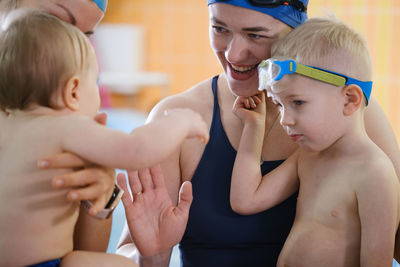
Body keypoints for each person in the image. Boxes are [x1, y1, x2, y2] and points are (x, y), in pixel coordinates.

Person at [116, 1, 400, 267]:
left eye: (256, 35)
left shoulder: (355, 114)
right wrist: (149, 253)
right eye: (219, 28)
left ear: (296, 34)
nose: (234, 54)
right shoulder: (176, 118)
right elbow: (134, 253)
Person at [0, 9, 208, 266]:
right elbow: (137, 150)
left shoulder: (6, 124)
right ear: (73, 91)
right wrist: (180, 120)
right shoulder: (67, 127)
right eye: (95, 82)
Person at [230, 17, 399, 266]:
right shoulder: (308, 156)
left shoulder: (375, 173)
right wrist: (252, 127)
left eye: (297, 102)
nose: (285, 119)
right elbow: (245, 200)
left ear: (349, 100)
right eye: (279, 105)